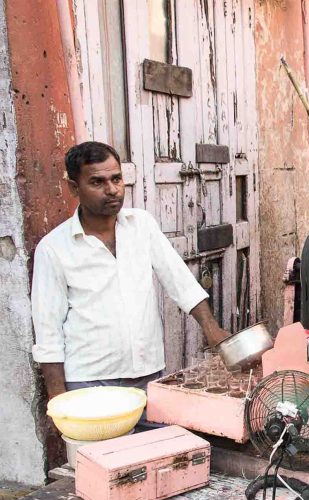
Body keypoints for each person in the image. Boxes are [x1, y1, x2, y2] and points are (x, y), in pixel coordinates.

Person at [31, 142, 231, 401]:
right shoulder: (54, 248)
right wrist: (57, 399)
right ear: (74, 188)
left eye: (116, 179)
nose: (112, 190)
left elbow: (179, 281)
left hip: (149, 374)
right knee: (102, 444)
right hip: (89, 382)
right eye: (97, 182)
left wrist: (212, 330)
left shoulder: (141, 225)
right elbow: (48, 331)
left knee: (156, 442)